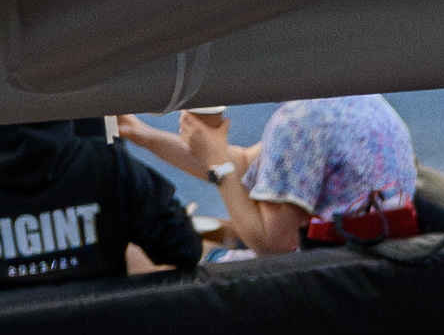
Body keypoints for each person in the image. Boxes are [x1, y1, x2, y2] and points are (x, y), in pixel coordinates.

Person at [112, 98, 416, 254]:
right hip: (378, 259)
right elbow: (244, 165)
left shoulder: (296, 122)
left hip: (323, 278)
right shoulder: (354, 99)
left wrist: (217, 159)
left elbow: (272, 247)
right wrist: (143, 135)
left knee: (140, 255)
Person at [0, 115, 202, 288]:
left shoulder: (109, 164)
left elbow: (184, 247)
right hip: (98, 329)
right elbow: (185, 247)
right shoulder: (109, 164)